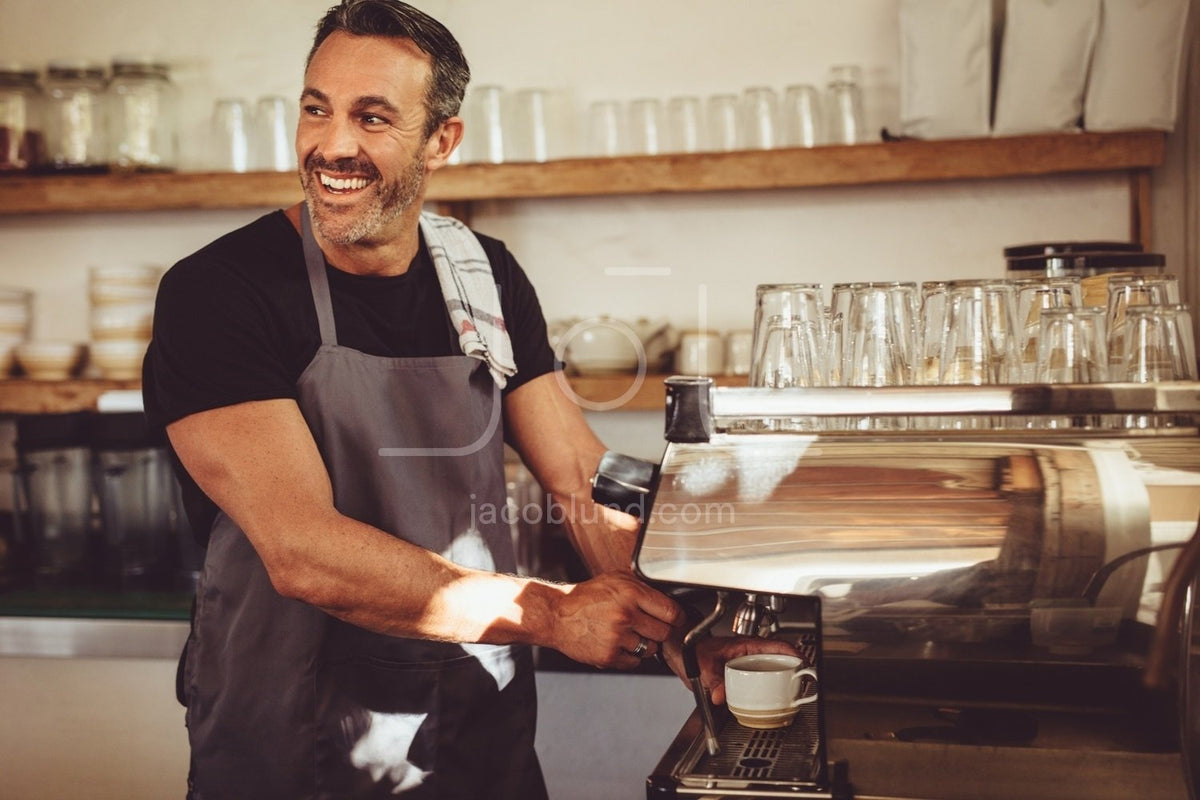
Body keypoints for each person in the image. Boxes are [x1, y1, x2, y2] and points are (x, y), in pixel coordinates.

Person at [143, 1, 795, 797]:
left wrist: (676, 631)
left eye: (372, 117)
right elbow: (302, 551)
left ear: (441, 140)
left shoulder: (479, 274)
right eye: (317, 108)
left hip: (476, 730)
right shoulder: (220, 292)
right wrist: (555, 614)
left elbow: (578, 475)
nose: (331, 145)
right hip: (297, 734)